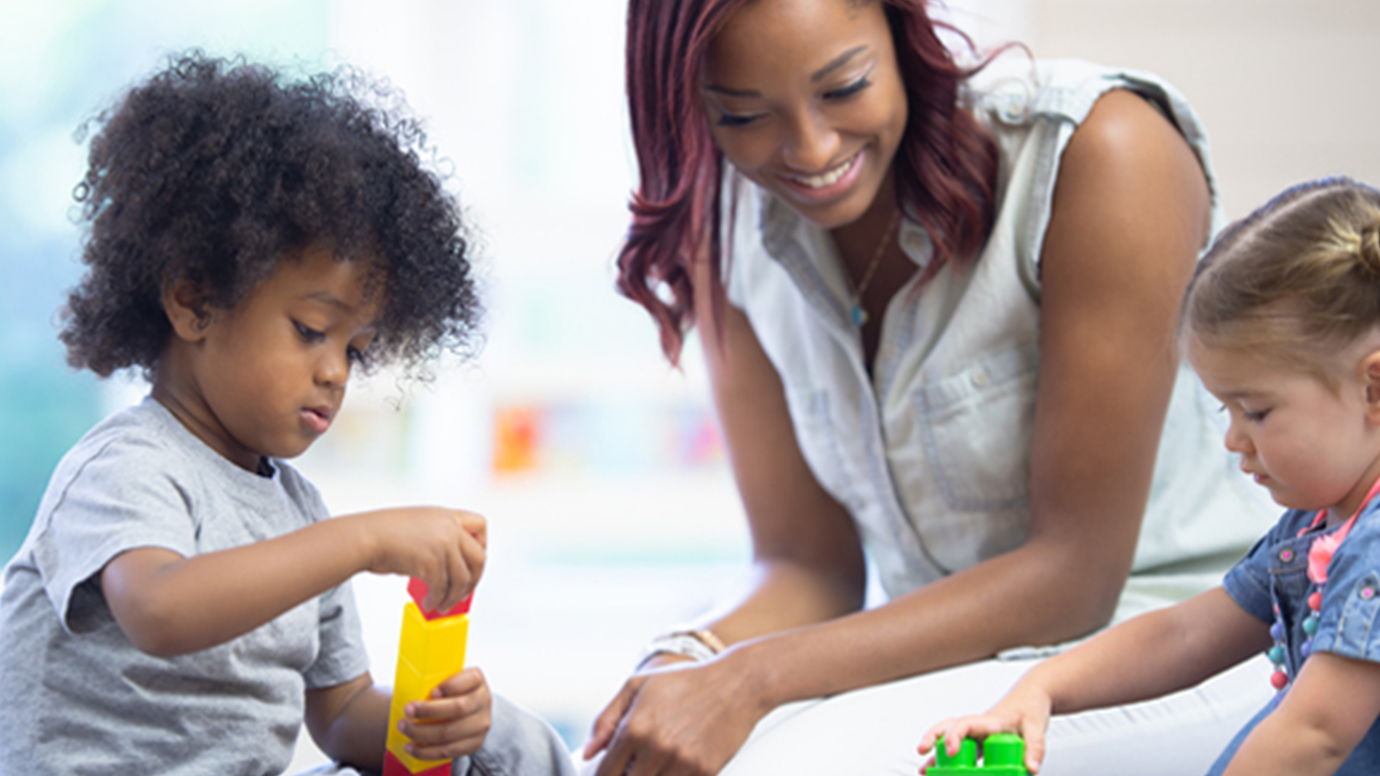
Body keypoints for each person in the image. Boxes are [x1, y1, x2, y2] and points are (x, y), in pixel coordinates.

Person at [584, 1, 1278, 774]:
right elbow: (808, 567)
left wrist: (750, 676)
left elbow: (1072, 578)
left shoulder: (1100, 149)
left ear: (899, 33)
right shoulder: (730, 229)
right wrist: (688, 658)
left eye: (844, 88)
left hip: (1190, 647)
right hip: (956, 675)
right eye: (744, 115)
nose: (811, 150)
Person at [0, 53, 574, 776]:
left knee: (503, 746)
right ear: (194, 302)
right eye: (310, 331)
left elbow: (339, 716)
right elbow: (161, 610)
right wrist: (362, 542)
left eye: (357, 351)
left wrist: (432, 726)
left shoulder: (300, 516)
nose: (335, 372)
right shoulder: (124, 467)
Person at [920, 177, 1380, 776]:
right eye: (1225, 410)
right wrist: (1043, 687)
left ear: (1374, 388)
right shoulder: (1319, 523)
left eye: (1258, 411)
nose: (1233, 439)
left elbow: (1315, 733)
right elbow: (1187, 634)